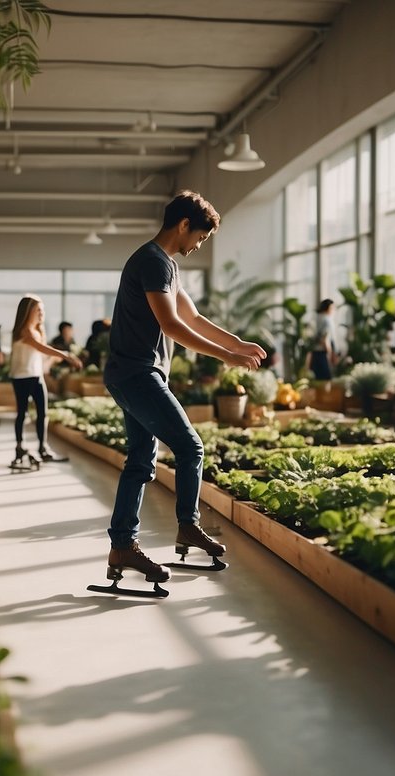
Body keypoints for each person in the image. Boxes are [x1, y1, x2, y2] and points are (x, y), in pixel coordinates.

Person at [100, 191, 265, 587]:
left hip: (136, 373)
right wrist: (226, 357)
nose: (198, 245)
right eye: (200, 238)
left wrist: (236, 344)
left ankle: (123, 546)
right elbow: (173, 326)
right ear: (184, 225)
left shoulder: (166, 265)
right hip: (138, 373)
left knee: (141, 458)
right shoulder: (152, 262)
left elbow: (193, 316)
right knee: (191, 447)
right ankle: (187, 526)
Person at [9, 295, 81, 467]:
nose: (42, 313)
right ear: (28, 312)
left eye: (43, 310)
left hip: (36, 376)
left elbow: (39, 357)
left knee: (43, 413)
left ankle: (43, 448)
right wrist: (66, 355)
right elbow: (41, 348)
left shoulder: (38, 331)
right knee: (23, 414)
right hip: (21, 377)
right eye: (38, 310)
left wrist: (54, 362)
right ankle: (19, 448)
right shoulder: (23, 331)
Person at [310, 298, 338, 381]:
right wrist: (330, 352)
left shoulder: (315, 318)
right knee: (326, 378)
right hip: (323, 352)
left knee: (317, 378)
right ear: (328, 308)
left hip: (314, 351)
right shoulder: (327, 320)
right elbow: (324, 338)